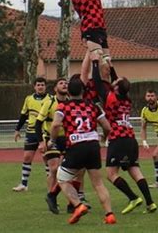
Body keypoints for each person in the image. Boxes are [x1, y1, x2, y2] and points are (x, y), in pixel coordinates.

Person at [91, 58, 157, 214]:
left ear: (117, 88)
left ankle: (133, 198)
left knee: (111, 174)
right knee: (135, 171)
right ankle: (150, 202)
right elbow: (119, 83)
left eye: (116, 82)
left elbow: (97, 83)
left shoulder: (111, 98)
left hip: (118, 138)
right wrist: (112, 67)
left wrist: (95, 63)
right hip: (130, 138)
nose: (114, 82)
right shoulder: (126, 99)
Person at [50, 74, 116, 225]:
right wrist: (104, 138)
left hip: (76, 145)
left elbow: (55, 125)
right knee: (98, 183)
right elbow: (107, 127)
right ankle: (109, 214)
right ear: (83, 91)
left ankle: (78, 205)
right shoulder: (93, 105)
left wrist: (52, 141)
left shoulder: (63, 106)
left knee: (62, 178)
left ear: (68, 92)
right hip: (93, 145)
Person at [35, 78, 69, 214]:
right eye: (61, 83)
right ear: (55, 89)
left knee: (67, 171)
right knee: (54, 169)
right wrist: (41, 142)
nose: (64, 85)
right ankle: (52, 198)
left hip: (66, 139)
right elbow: (38, 123)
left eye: (66, 83)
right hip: (51, 138)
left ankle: (71, 202)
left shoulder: (70, 103)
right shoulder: (49, 103)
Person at [13, 77, 52, 192]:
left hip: (44, 133)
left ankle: (51, 183)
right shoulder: (29, 99)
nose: (40, 87)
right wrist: (17, 130)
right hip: (31, 132)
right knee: (27, 157)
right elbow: (23, 115)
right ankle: (24, 184)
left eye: (42, 85)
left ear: (45, 87)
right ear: (34, 86)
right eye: (38, 85)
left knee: (46, 158)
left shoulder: (50, 99)